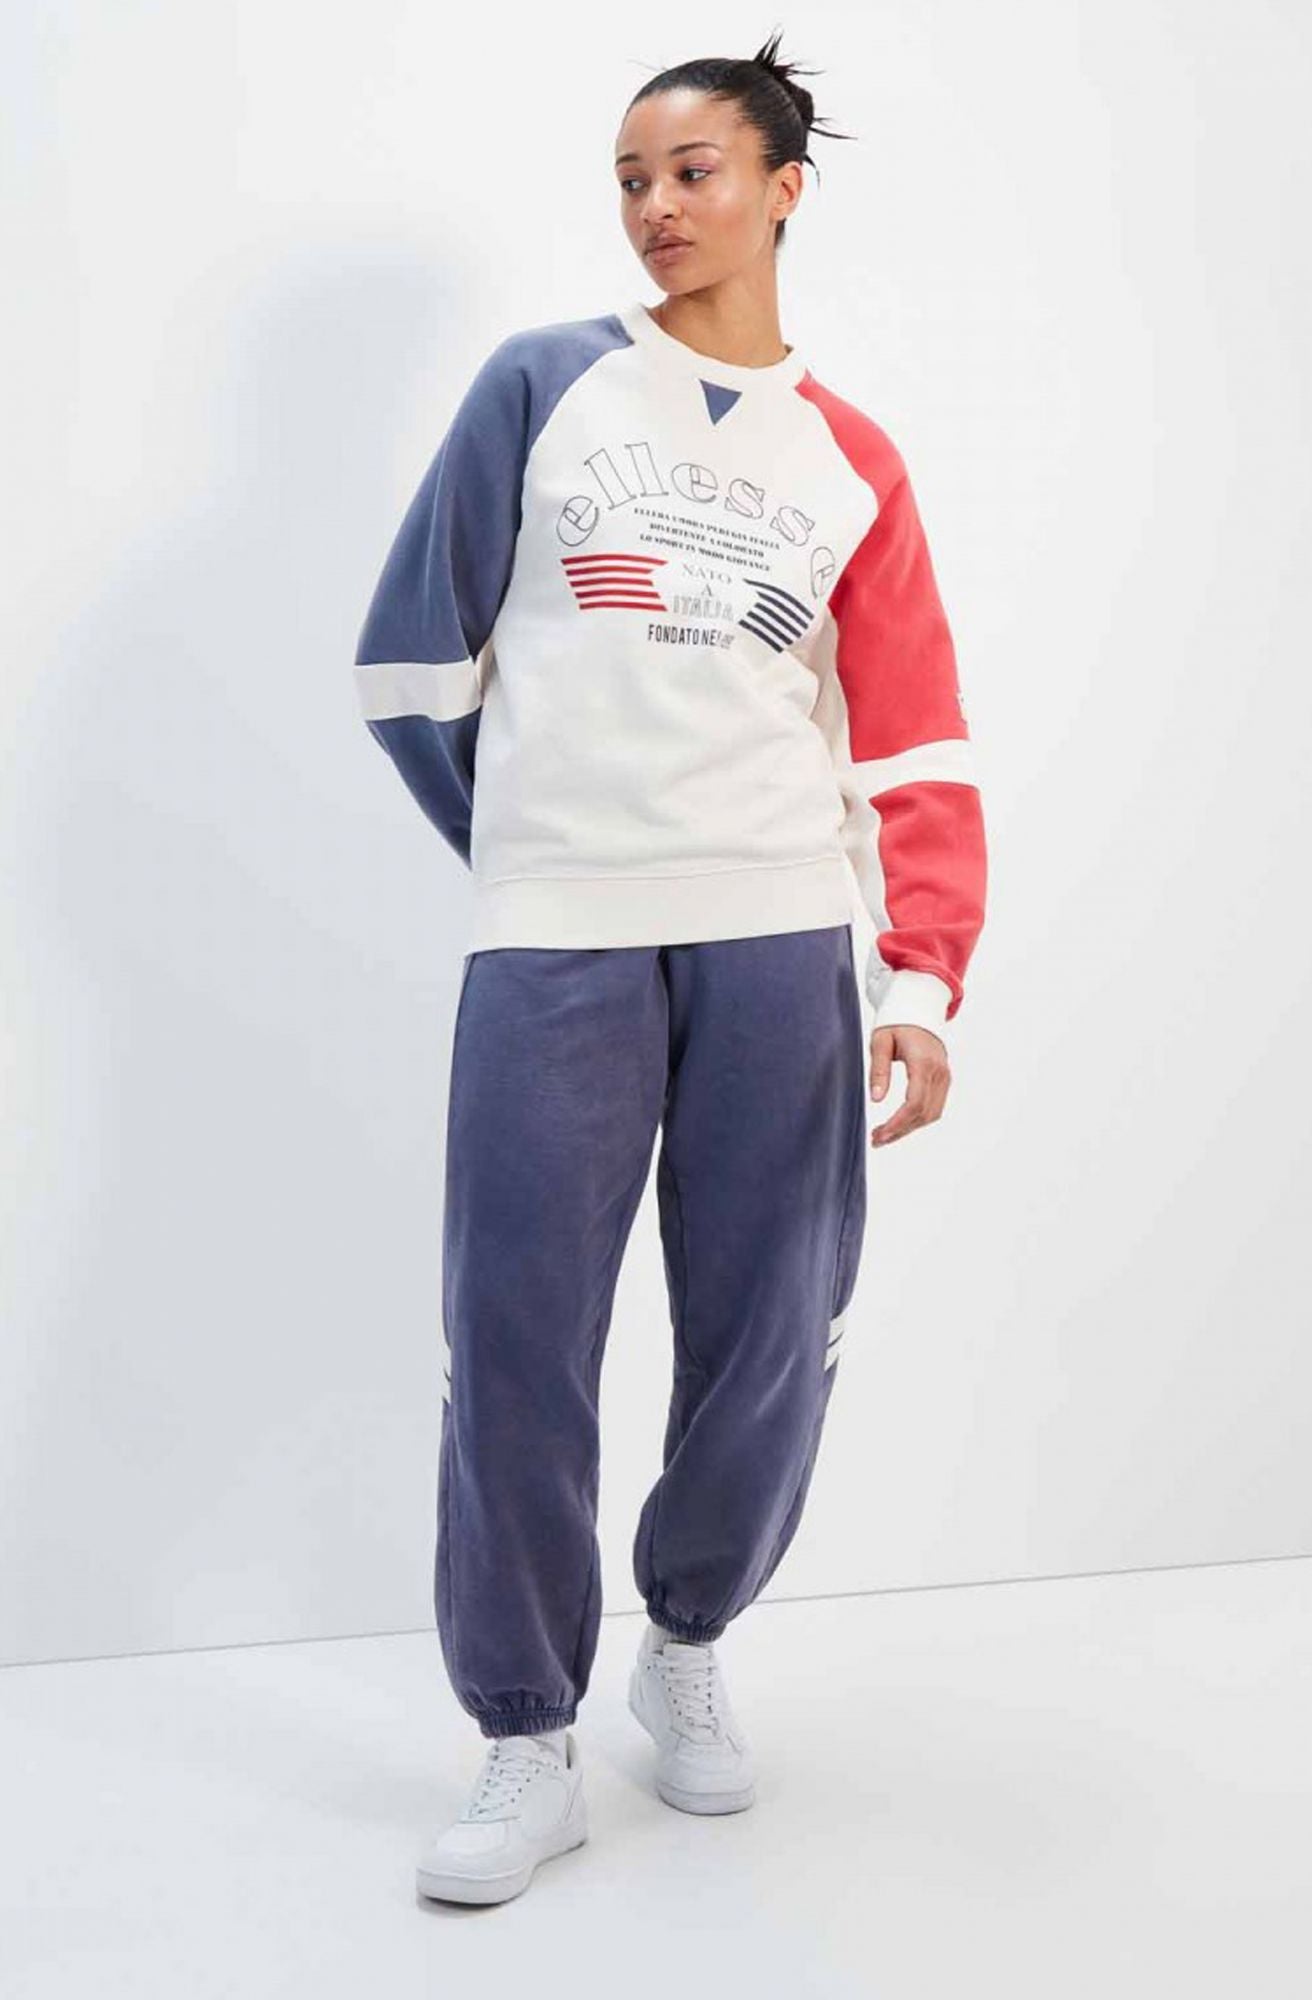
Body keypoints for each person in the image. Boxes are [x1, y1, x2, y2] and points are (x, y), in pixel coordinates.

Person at [352, 32, 988, 1906]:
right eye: (631, 175)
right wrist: (534, 849)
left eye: (693, 170)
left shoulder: (850, 459)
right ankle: (523, 1732)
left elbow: (912, 745)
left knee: (772, 1322)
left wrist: (919, 979)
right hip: (555, 941)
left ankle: (687, 1637)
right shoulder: (542, 384)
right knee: (516, 1338)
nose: (654, 206)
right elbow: (407, 667)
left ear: (783, 188)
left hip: (780, 932)